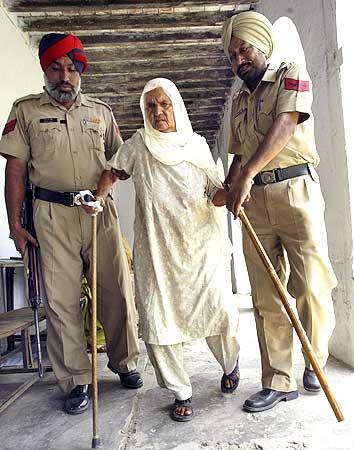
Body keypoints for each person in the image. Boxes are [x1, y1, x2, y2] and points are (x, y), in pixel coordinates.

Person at [0, 33, 143, 415]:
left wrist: (112, 180)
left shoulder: (101, 112)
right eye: (57, 68)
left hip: (98, 211)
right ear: (45, 70)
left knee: (116, 288)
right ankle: (76, 380)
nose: (65, 76)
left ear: (80, 72)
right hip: (51, 214)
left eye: (72, 69)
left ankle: (125, 362)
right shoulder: (26, 111)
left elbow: (121, 158)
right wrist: (15, 225)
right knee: (61, 301)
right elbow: (15, 170)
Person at [93, 78, 240, 422]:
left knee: (220, 312)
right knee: (159, 321)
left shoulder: (197, 145)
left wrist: (234, 192)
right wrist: (98, 198)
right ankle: (180, 390)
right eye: (150, 106)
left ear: (176, 105)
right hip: (157, 250)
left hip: (199, 246)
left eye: (164, 104)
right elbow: (112, 171)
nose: (157, 112)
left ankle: (231, 363)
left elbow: (214, 193)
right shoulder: (139, 145)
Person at [221, 11, 337, 413]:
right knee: (267, 295)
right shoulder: (238, 98)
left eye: (244, 49)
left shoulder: (291, 73)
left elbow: (287, 123)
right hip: (255, 201)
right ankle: (278, 380)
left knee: (312, 285)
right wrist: (231, 187)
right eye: (233, 55)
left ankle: (315, 358)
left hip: (296, 188)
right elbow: (238, 154)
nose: (239, 59)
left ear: (262, 45)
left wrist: (248, 173)